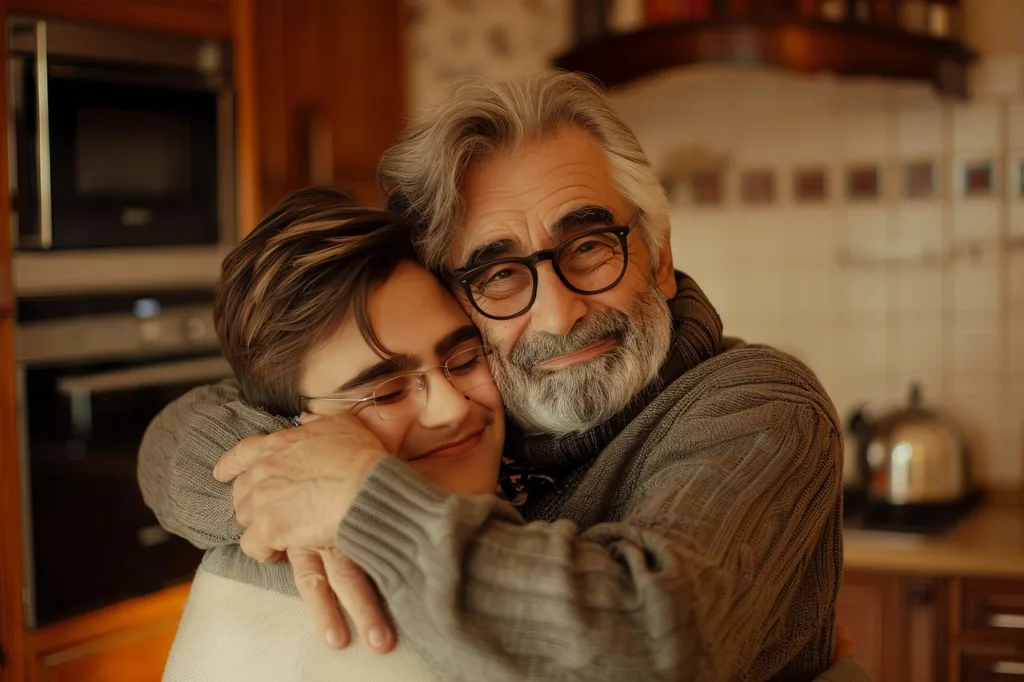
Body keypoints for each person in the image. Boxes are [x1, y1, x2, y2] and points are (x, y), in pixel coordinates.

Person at [140, 73, 869, 681]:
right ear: (454, 291)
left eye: (588, 245)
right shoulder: (473, 405)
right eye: (498, 272)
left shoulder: (759, 404)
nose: (557, 314)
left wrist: (359, 502)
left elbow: (650, 644)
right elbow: (177, 440)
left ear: (661, 253)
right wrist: (295, 482)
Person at [159, 187, 506, 680]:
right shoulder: (279, 598)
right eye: (385, 394)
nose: (452, 408)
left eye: (466, 360)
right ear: (293, 428)